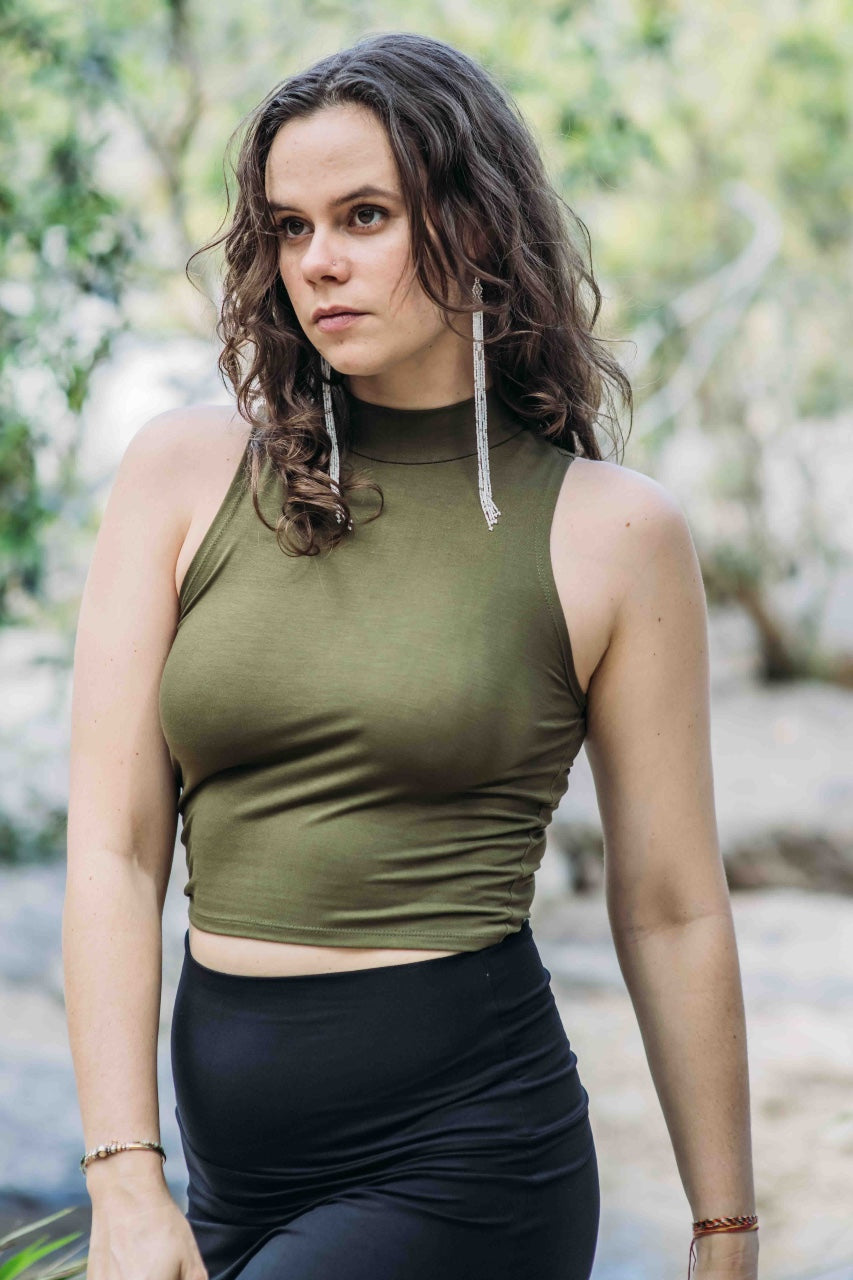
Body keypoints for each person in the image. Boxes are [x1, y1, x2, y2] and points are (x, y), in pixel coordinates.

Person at [63, 29, 758, 1280]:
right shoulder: (181, 474)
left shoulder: (610, 532)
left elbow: (669, 903)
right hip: (224, 1182)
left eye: (365, 216)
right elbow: (113, 848)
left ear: (475, 223)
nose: (318, 262)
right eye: (288, 227)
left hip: (469, 1164)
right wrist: (123, 1173)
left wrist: (724, 1233)